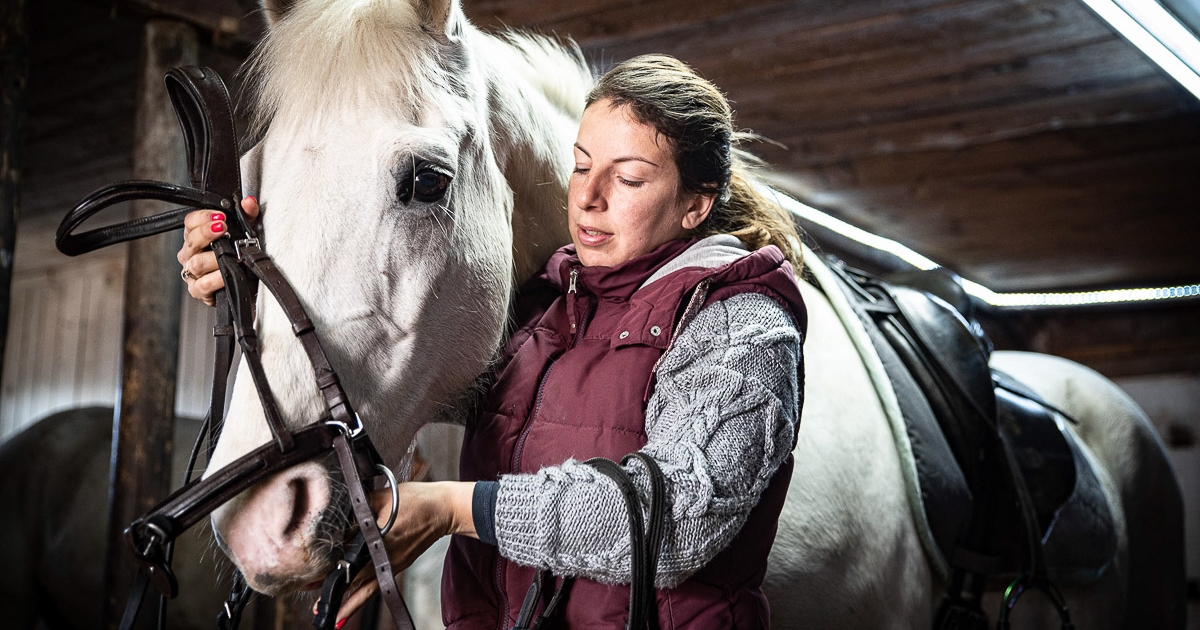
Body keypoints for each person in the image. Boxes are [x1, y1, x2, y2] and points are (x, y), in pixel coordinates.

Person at [178, 54, 806, 629]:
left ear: (696, 205)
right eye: (581, 165)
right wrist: (247, 283)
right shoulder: (550, 310)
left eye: (630, 179)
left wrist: (454, 509)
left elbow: (679, 520)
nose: (587, 198)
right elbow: (423, 377)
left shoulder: (742, 323)